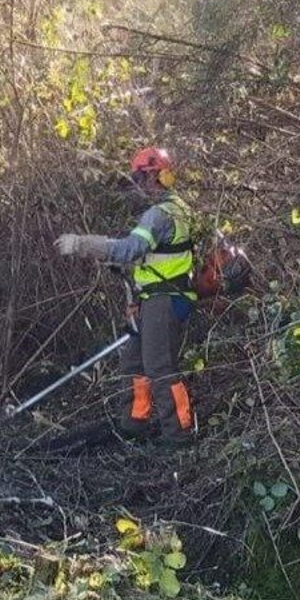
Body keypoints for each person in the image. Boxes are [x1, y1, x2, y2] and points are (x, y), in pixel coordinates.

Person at [54, 146, 197, 446]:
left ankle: (179, 435)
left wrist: (81, 244)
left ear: (154, 177)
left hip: (165, 299)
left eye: (139, 178)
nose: (137, 186)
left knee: (160, 368)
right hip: (154, 298)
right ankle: (134, 425)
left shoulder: (160, 215)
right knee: (132, 365)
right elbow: (149, 260)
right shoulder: (177, 208)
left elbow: (130, 250)